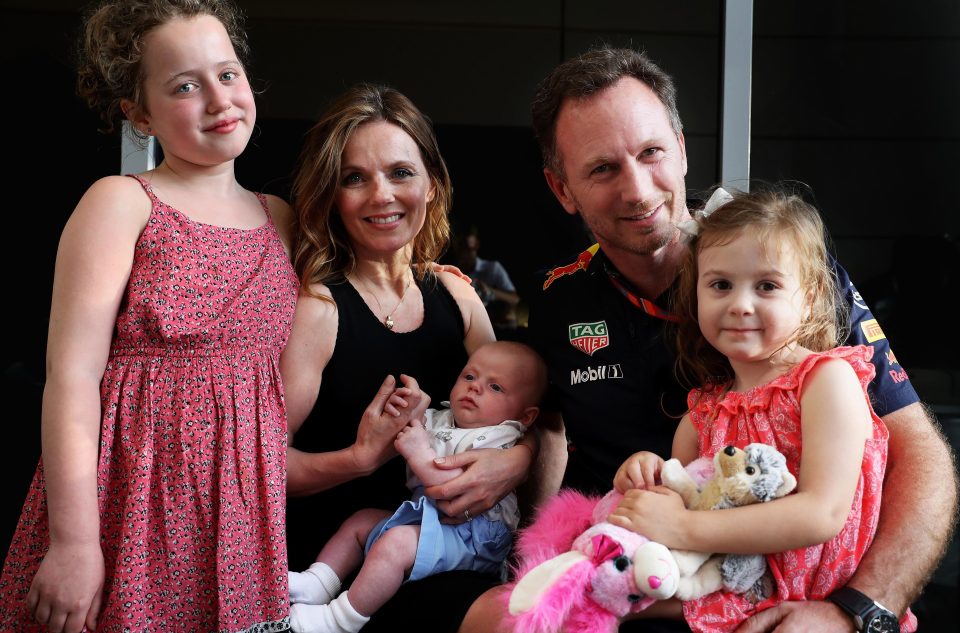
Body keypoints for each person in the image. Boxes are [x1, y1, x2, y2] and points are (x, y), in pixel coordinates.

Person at [460, 46, 956, 633]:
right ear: (562, 188)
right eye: (602, 168)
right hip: (644, 575)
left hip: (785, 592)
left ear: (683, 149)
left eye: (651, 153)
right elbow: (548, 428)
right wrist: (528, 529)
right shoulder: (558, 298)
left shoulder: (787, 273)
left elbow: (919, 453)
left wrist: (861, 610)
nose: (639, 190)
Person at [0, 1, 298, 631]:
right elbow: (72, 378)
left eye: (227, 74)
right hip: (128, 503)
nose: (219, 100)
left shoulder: (283, 218)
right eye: (185, 86)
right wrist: (76, 543)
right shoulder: (122, 203)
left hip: (240, 515)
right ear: (139, 114)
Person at [281, 83, 536, 633]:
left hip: (452, 551)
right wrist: (359, 458)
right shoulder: (321, 308)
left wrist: (516, 460)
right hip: (342, 566)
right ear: (332, 196)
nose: (381, 195)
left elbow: (526, 404)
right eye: (355, 178)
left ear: (432, 185)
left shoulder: (458, 296)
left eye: (400, 172)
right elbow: (258, 468)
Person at [606, 187, 898, 631]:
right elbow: (683, 498)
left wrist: (682, 528)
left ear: (812, 292)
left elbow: (821, 513)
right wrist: (647, 477)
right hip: (723, 595)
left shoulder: (825, 382)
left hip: (811, 610)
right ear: (696, 292)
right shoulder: (701, 413)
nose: (741, 305)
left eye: (766, 285)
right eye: (721, 285)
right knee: (584, 594)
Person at [287, 341, 547, 633]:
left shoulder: (499, 438)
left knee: (396, 544)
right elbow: (410, 430)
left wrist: (420, 453)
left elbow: (454, 494)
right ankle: (319, 582)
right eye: (470, 377)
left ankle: (341, 619)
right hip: (431, 517)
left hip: (472, 534)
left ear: (526, 417)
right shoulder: (444, 418)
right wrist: (404, 408)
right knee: (360, 522)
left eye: (495, 387)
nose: (475, 388)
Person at [452, 226, 521, 331]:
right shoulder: (451, 272)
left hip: (493, 325)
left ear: (477, 245)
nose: (464, 255)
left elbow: (514, 299)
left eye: (469, 249)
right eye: (461, 249)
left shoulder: (492, 268)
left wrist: (490, 291)